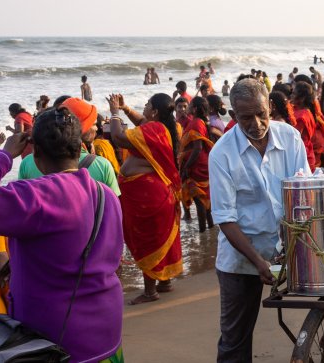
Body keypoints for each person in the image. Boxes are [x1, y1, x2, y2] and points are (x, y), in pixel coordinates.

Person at [0, 110, 124, 362]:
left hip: (55, 341)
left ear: (36, 154)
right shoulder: (105, 195)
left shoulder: (32, 197)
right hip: (106, 329)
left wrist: (4, 155)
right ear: (80, 147)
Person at [210, 78, 310, 363]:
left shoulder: (290, 137)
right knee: (235, 340)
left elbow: (303, 193)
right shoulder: (222, 154)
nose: (256, 123)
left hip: (286, 249)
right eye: (245, 117)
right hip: (240, 261)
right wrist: (257, 261)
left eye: (261, 113)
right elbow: (226, 220)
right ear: (233, 116)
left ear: (271, 108)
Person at [108, 93, 183, 304]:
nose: (145, 107)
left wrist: (114, 113)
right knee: (157, 238)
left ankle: (150, 292)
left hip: (149, 198)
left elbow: (119, 138)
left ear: (155, 111)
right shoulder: (163, 128)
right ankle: (164, 282)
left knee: (147, 241)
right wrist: (125, 109)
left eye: (148, 105)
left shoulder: (154, 129)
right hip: (155, 195)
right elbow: (142, 123)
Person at [19, 98, 121, 196]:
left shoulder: (27, 163)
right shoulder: (102, 165)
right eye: (93, 123)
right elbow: (114, 208)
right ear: (81, 128)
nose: (96, 127)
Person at [180, 97, 216, 232]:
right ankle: (211, 228)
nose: (187, 107)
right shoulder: (200, 122)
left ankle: (202, 232)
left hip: (197, 166)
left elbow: (198, 148)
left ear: (194, 109)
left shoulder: (196, 123)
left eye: (189, 105)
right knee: (204, 199)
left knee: (199, 201)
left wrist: (186, 166)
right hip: (202, 163)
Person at [291, 82, 318, 169]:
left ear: (302, 98)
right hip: (307, 153)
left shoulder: (302, 116)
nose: (291, 95)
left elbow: (293, 140)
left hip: (302, 156)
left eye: (294, 93)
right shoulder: (307, 111)